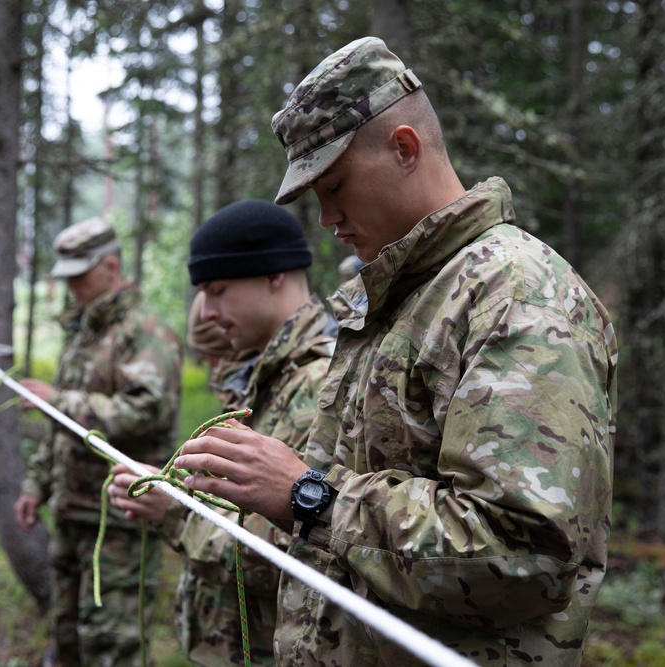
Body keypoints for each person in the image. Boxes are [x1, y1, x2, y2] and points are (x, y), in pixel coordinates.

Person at [169, 37, 618, 666]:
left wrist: (310, 497)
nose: (325, 218)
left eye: (334, 186)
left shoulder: (517, 296)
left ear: (404, 148)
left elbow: (524, 553)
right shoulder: (397, 300)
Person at [107, 199, 337, 666]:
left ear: (274, 274)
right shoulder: (271, 375)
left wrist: (173, 512)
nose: (206, 312)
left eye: (217, 290)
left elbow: (306, 545)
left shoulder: (318, 384)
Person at [13, 216, 183, 667]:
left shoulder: (144, 332)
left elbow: (150, 411)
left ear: (110, 267)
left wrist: (60, 400)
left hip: (119, 520)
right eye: (65, 278)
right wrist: (37, 484)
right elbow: (60, 430)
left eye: (80, 276)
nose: (72, 288)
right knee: (66, 637)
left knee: (113, 644)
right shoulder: (83, 334)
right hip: (71, 512)